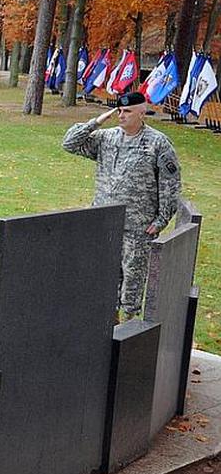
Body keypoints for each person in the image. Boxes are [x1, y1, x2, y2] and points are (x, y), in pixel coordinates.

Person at [62, 91, 182, 319]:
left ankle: (128, 325)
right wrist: (96, 122)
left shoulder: (157, 143)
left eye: (127, 111)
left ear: (141, 113)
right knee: (104, 277)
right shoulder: (106, 138)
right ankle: (107, 322)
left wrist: (161, 220)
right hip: (104, 222)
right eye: (119, 111)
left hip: (137, 226)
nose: (121, 115)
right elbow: (69, 143)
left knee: (132, 280)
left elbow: (170, 184)